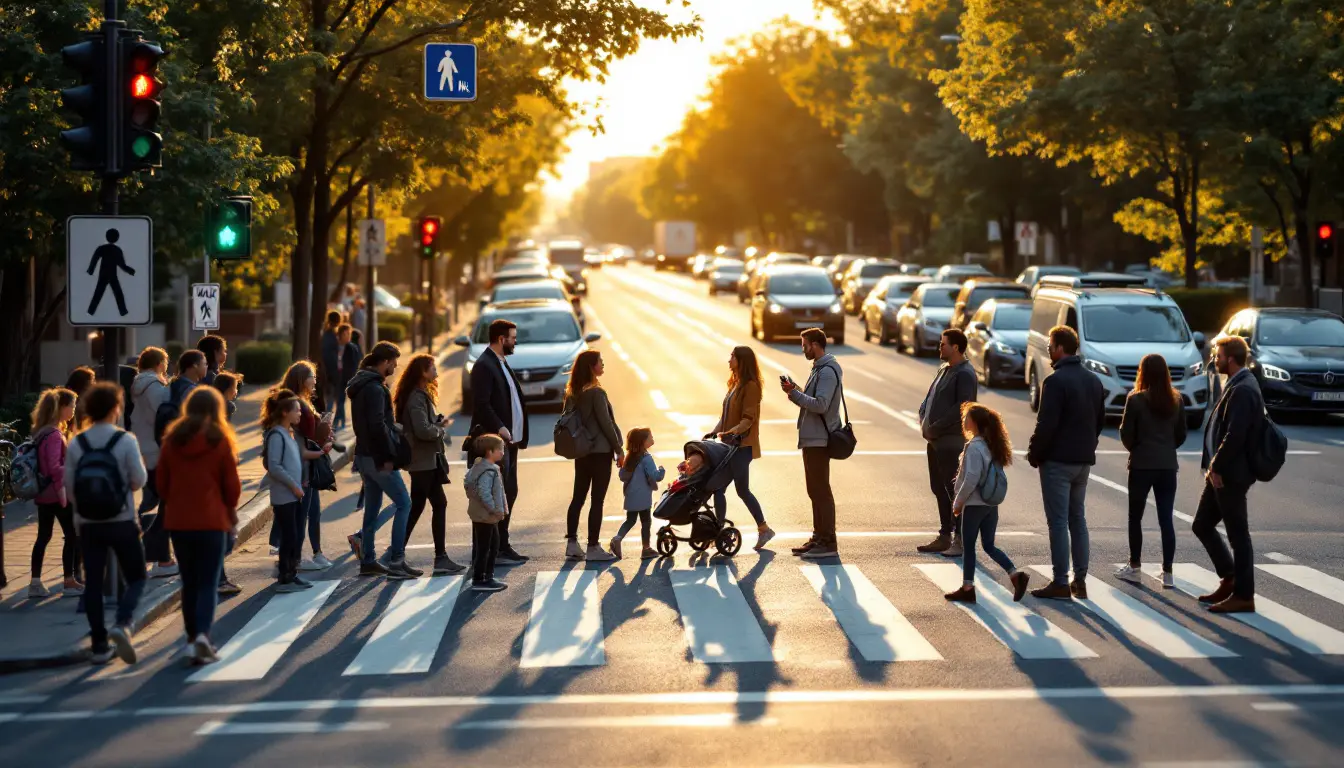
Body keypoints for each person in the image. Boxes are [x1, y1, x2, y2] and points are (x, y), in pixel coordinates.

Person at [66, 382, 148, 665]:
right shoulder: (124, 440)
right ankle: (123, 623)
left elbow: (70, 486)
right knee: (137, 576)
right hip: (122, 519)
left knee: (93, 584)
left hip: (88, 523)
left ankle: (99, 645)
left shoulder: (78, 442)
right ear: (116, 408)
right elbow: (138, 479)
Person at [157, 387, 241, 664]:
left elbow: (161, 485)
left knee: (189, 582)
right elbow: (232, 488)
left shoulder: (172, 440)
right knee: (208, 583)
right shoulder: (219, 441)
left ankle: (192, 638)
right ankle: (203, 635)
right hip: (212, 521)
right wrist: (230, 512)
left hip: (179, 522)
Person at [1027, 325, 1105, 601]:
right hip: (1083, 460)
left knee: (1058, 522)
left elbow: (1046, 424)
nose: (1048, 350)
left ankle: (1060, 581)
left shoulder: (1055, 381)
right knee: (1077, 519)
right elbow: (1099, 422)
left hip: (1058, 461)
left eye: (1050, 345)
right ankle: (1080, 580)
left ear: (1060, 348)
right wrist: (1087, 446)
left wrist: (1034, 452)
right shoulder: (1093, 381)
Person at [1193, 337, 1264, 614]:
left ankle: (1244, 595)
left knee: (1238, 535)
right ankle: (1230, 578)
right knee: (1202, 524)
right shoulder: (1235, 384)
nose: (1215, 358)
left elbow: (1236, 435)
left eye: (1218, 355)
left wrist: (1217, 466)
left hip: (1230, 474)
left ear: (1231, 359)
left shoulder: (1244, 389)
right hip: (1221, 472)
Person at [943, 403, 1029, 604]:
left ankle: (967, 587)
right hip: (991, 504)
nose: (964, 420)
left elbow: (972, 477)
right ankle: (1015, 575)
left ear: (974, 423)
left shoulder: (974, 447)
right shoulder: (992, 444)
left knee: (969, 546)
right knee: (989, 545)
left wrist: (958, 503)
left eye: (967, 417)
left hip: (974, 504)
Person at [1115, 354, 1188, 588]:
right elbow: (1181, 435)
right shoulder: (1176, 400)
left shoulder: (1135, 400)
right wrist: (1166, 448)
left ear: (1142, 373)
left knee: (1135, 517)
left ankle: (1134, 566)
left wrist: (1137, 448)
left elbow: (1127, 434)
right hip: (1167, 465)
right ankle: (1167, 572)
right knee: (1166, 518)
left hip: (1141, 464)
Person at [348, 341, 417, 578]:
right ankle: (397, 560)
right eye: (394, 362)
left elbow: (370, 425)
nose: (396, 367)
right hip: (377, 458)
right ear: (385, 362)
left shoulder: (361, 384)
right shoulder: (376, 388)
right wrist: (387, 456)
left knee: (373, 508)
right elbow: (377, 426)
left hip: (364, 456)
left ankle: (368, 560)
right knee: (404, 503)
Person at [468, 319, 531, 565]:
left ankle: (502, 545)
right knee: (495, 496)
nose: (515, 342)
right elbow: (482, 404)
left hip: (508, 444)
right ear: (501, 339)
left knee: (508, 493)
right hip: (495, 444)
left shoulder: (501, 362)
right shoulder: (484, 365)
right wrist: (502, 427)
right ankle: (490, 552)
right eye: (512, 338)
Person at [395, 353, 463, 575]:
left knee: (435, 504)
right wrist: (440, 429)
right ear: (422, 372)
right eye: (432, 368)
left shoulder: (420, 395)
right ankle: (397, 556)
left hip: (427, 459)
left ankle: (439, 558)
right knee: (416, 507)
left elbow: (423, 424)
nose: (436, 372)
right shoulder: (415, 398)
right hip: (422, 460)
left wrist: (436, 422)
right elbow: (422, 430)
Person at [781, 327, 842, 560]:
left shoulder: (827, 371)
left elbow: (821, 405)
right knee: (814, 491)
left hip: (820, 439)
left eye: (804, 344)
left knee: (821, 491)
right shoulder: (819, 368)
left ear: (816, 344)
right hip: (812, 438)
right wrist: (794, 389)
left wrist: (795, 395)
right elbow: (814, 400)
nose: (803, 348)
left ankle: (828, 542)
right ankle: (818, 537)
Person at [916, 329, 978, 557]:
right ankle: (944, 535)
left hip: (951, 441)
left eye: (943, 345)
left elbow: (962, 407)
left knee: (955, 491)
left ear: (956, 348)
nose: (939, 348)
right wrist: (923, 413)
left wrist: (936, 426)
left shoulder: (965, 373)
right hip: (935, 441)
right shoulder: (945, 369)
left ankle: (959, 540)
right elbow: (931, 396)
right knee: (938, 487)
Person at [269, 362, 334, 571]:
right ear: (301, 380)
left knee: (313, 512)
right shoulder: (295, 406)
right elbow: (300, 441)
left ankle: (315, 553)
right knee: (302, 515)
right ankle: (292, 561)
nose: (315, 381)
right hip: (301, 469)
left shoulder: (304, 403)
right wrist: (322, 441)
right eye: (312, 377)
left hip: (307, 466)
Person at [709, 346, 775, 549]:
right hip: (730, 445)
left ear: (741, 361)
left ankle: (760, 529)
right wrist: (715, 431)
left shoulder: (750, 387)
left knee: (727, 488)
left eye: (732, 357)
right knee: (729, 489)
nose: (729, 360)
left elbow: (748, 419)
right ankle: (760, 529)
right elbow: (726, 416)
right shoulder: (735, 384)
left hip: (741, 446)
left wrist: (732, 433)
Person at [561, 349, 622, 561]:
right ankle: (593, 547)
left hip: (582, 452)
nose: (603, 364)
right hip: (600, 452)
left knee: (578, 497)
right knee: (597, 500)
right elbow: (606, 423)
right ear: (591, 367)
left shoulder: (573, 392)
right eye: (600, 362)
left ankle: (571, 543)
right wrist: (619, 449)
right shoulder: (597, 393)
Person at [27, 388, 82, 599]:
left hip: (43, 493)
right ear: (61, 408)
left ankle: (35, 582)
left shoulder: (41, 432)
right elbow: (53, 467)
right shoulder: (54, 435)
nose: (74, 410)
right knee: (72, 535)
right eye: (72, 406)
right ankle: (69, 580)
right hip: (57, 492)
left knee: (44, 536)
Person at [261, 388, 310, 592]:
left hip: (292, 494)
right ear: (284, 413)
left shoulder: (287, 434)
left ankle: (291, 573)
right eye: (296, 410)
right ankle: (285, 576)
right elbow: (274, 466)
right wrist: (294, 486)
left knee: (294, 534)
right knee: (289, 535)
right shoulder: (276, 435)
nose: (300, 414)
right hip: (284, 495)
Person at [209, 370, 244, 596]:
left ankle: (215, 578)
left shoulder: (177, 438)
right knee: (222, 541)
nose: (237, 392)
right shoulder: (219, 433)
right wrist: (231, 511)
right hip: (214, 499)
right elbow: (230, 479)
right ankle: (217, 580)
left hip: (187, 506)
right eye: (234, 388)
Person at [611, 427, 664, 560]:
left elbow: (623, 476)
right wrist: (662, 471)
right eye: (650, 438)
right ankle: (646, 549)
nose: (652, 439)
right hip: (643, 496)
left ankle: (617, 538)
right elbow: (655, 476)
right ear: (643, 442)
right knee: (646, 522)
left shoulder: (630, 458)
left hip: (631, 494)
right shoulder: (647, 458)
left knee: (630, 520)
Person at [464, 434, 509, 593]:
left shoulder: (478, 467)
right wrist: (495, 510)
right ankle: (481, 578)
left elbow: (468, 485)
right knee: (487, 547)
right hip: (486, 516)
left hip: (482, 515)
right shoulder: (488, 471)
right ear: (490, 452)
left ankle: (485, 576)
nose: (503, 453)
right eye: (500, 450)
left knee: (491, 545)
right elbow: (484, 493)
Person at [129, 348, 169, 523]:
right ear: (160, 364)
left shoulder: (139, 383)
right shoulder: (154, 385)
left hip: (142, 441)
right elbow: (160, 413)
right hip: (153, 445)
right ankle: (132, 523)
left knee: (153, 492)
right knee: (156, 494)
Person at [332, 323, 357, 431]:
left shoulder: (351, 348)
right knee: (339, 401)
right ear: (340, 334)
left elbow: (354, 364)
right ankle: (339, 421)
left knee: (341, 401)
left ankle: (337, 422)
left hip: (346, 378)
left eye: (349, 334)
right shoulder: (335, 346)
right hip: (336, 377)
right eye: (346, 334)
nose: (348, 336)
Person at [320, 310, 343, 419]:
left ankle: (329, 418)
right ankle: (328, 419)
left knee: (330, 396)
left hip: (327, 368)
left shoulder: (327, 333)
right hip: (332, 368)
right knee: (332, 395)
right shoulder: (331, 335)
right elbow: (330, 354)